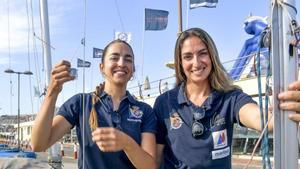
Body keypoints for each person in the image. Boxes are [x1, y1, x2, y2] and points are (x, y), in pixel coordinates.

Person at [154, 27, 300, 169]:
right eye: (188, 57)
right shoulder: (164, 103)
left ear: (212, 56)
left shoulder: (230, 98)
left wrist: (282, 110)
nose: (196, 62)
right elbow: (156, 158)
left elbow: (260, 119)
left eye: (202, 53)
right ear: (180, 62)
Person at [31, 39, 157, 169]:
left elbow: (150, 166)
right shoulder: (81, 103)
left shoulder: (145, 111)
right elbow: (38, 144)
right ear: (101, 67)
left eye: (128, 59)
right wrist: (52, 92)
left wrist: (126, 143)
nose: (121, 63)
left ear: (133, 69)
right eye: (114, 58)